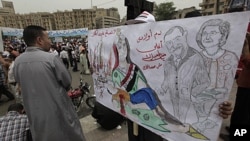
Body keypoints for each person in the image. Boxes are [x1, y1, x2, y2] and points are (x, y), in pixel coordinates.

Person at [13, 25, 86, 141]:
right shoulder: (50, 59)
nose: (50, 42)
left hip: (35, 117)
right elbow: (67, 82)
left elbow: (19, 83)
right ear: (39, 40)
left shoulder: (17, 62)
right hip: (58, 113)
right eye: (48, 38)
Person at [229, 32, 250, 139]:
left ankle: (237, 135)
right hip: (244, 85)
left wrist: (246, 47)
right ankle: (233, 131)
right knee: (238, 111)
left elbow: (248, 61)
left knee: (243, 115)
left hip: (248, 88)